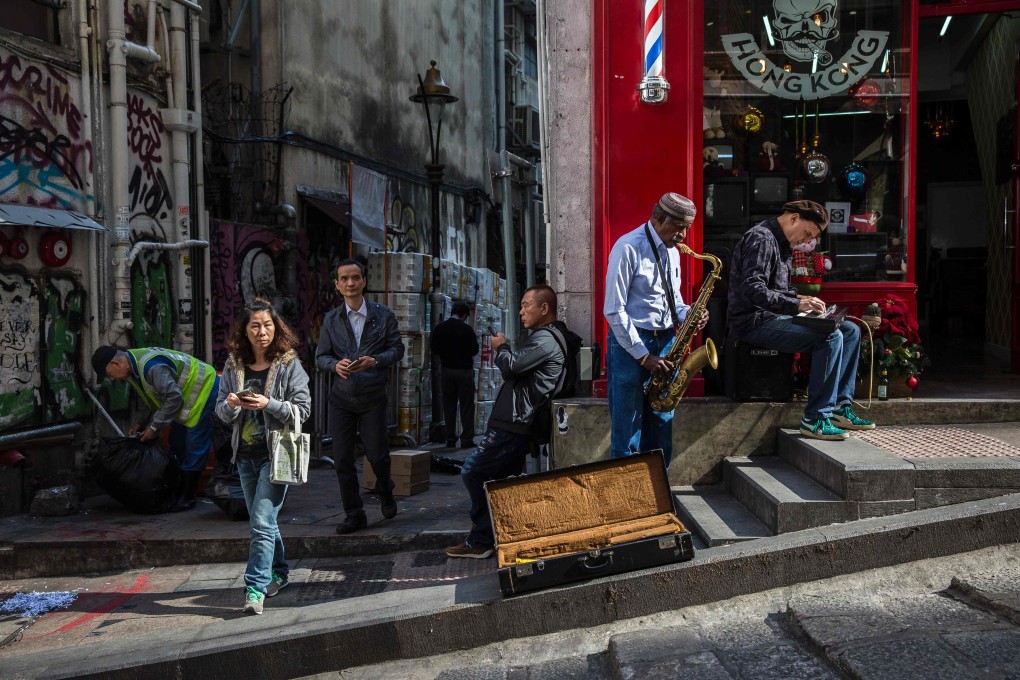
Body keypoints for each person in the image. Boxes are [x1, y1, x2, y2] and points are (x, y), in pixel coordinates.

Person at [446, 284, 578, 559]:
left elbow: (511, 366)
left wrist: (501, 347)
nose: (521, 311)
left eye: (525, 305)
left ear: (544, 308)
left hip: (516, 422)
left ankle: (483, 537)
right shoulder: (546, 337)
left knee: (473, 471)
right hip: (516, 420)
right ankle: (488, 538)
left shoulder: (546, 339)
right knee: (501, 481)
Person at [726, 200, 876, 441]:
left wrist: (801, 297)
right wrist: (797, 305)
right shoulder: (762, 238)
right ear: (794, 218)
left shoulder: (780, 243)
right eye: (807, 234)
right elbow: (753, 290)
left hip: (773, 317)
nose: (807, 242)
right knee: (830, 335)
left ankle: (839, 409)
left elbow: (776, 290)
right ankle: (815, 418)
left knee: (849, 330)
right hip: (753, 323)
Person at [214, 298, 311, 616]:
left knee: (260, 522)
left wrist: (268, 403)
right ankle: (280, 573)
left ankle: (254, 588)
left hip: (278, 453)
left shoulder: (288, 364)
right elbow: (221, 413)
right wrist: (230, 404)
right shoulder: (233, 365)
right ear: (245, 330)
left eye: (267, 325)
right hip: (244, 456)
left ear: (276, 327)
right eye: (254, 325)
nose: (261, 331)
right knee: (266, 523)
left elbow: (302, 410)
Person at [603, 192, 706, 468]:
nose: (684, 235)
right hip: (630, 344)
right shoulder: (627, 247)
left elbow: (675, 303)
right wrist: (643, 355)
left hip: (666, 341)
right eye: (679, 227)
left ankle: (656, 495)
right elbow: (614, 309)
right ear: (658, 218)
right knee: (628, 429)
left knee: (662, 424)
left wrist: (690, 313)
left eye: (687, 228)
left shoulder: (672, 252)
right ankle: (626, 501)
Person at [316, 257, 405, 534]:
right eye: (344, 279)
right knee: (342, 459)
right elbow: (321, 357)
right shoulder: (331, 320)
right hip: (341, 398)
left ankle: (385, 489)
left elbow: (398, 349)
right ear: (337, 285)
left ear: (364, 281)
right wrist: (335, 365)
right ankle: (354, 513)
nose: (350, 283)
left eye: (355, 277)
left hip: (372, 397)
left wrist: (375, 361)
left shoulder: (383, 315)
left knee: (377, 455)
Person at [91, 344, 219, 512]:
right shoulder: (134, 368)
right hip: (188, 398)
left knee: (195, 443)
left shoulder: (151, 367)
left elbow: (173, 398)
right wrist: (141, 423)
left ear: (115, 363)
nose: (112, 379)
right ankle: (183, 488)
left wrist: (153, 427)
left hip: (205, 389)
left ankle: (187, 497)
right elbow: (150, 397)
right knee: (177, 441)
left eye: (109, 374)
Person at [432, 300, 480, 449]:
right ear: (464, 315)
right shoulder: (467, 330)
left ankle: (450, 439)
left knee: (449, 405)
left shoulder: (440, 328)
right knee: (466, 406)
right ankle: (467, 440)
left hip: (446, 370)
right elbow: (474, 350)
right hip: (464, 371)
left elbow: (434, 348)